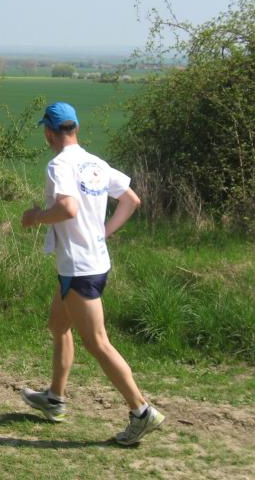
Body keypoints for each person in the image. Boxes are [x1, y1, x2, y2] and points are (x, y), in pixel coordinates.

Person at [20, 101, 164, 446]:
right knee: (58, 326)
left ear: (48, 133)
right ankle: (55, 398)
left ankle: (142, 411)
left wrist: (35, 217)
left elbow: (67, 208)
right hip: (92, 263)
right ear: (76, 128)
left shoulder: (59, 165)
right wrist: (103, 233)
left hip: (79, 269)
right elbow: (131, 200)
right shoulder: (95, 163)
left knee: (97, 342)